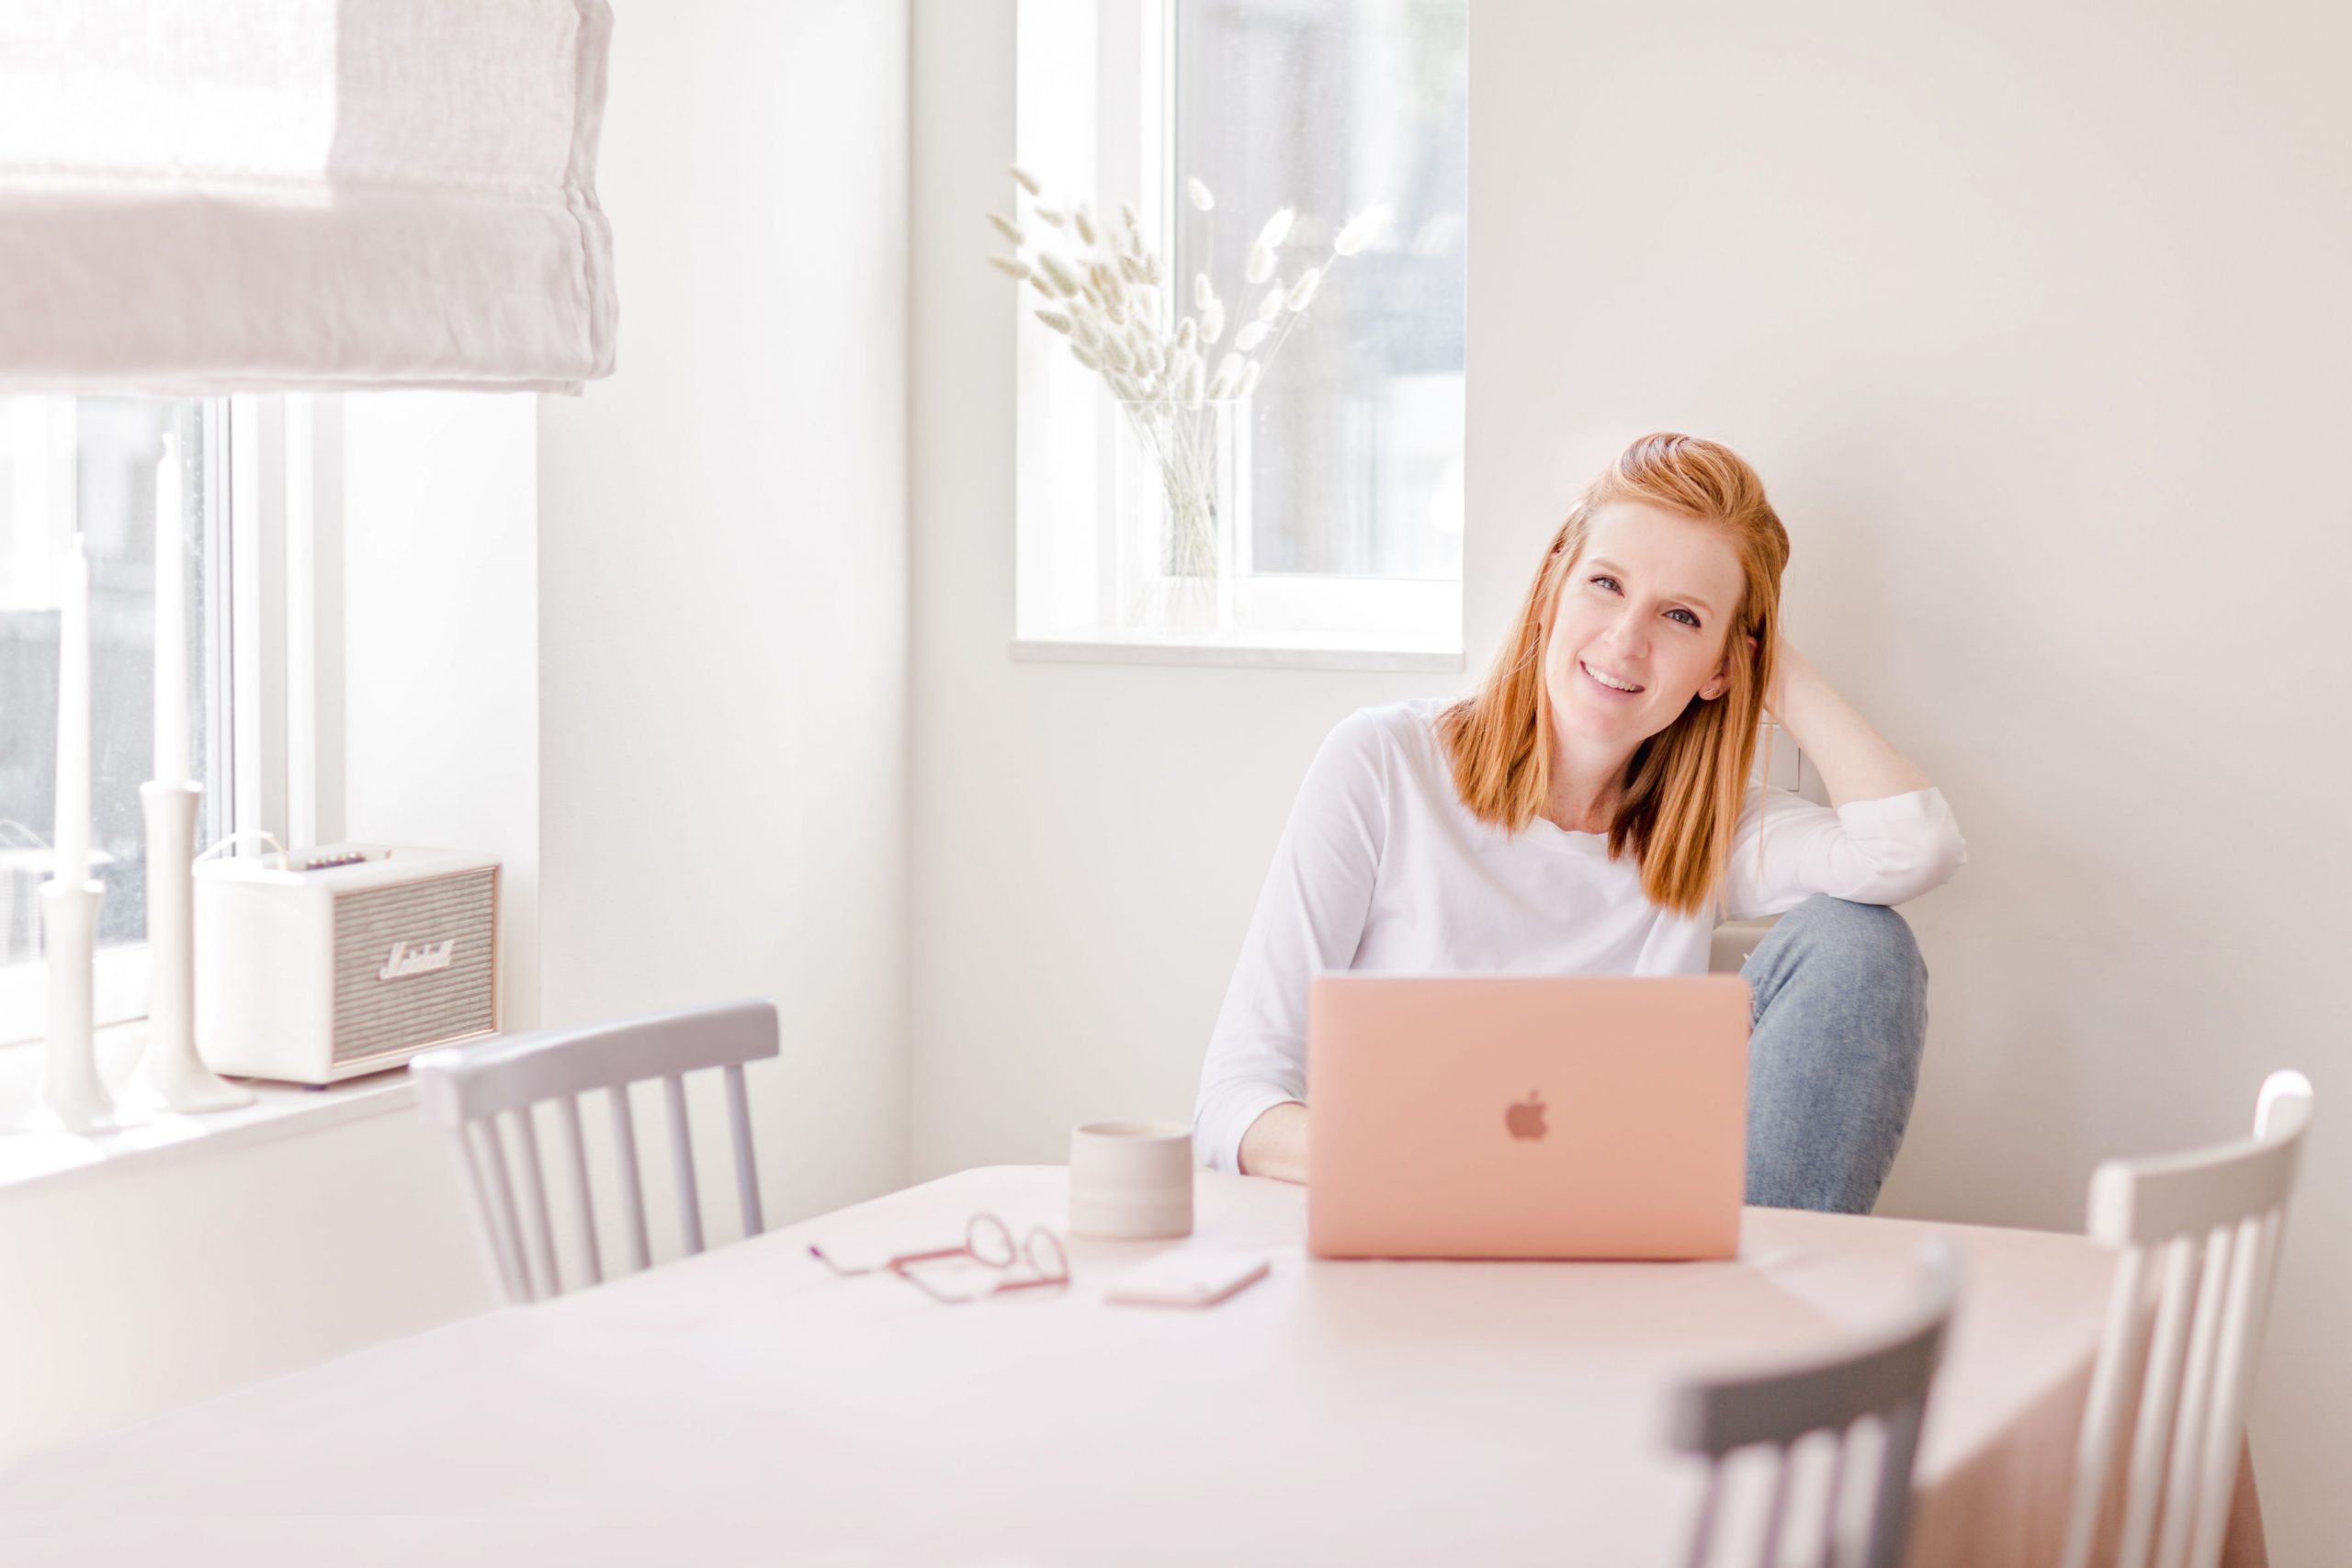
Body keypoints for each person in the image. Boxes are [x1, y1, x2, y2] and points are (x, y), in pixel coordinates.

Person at [1193, 433, 1966, 1213]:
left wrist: (1769, 665)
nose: (1626, 641)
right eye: (1604, 583)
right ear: (1551, 586)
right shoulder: (1385, 764)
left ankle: (1747, 1320)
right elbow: (1234, 1100)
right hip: (1415, 1221)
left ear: (1723, 668)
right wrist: (1441, 1164)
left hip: (1622, 1253)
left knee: (1863, 943)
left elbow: (1913, 845)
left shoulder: (1707, 828)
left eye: (1681, 617)